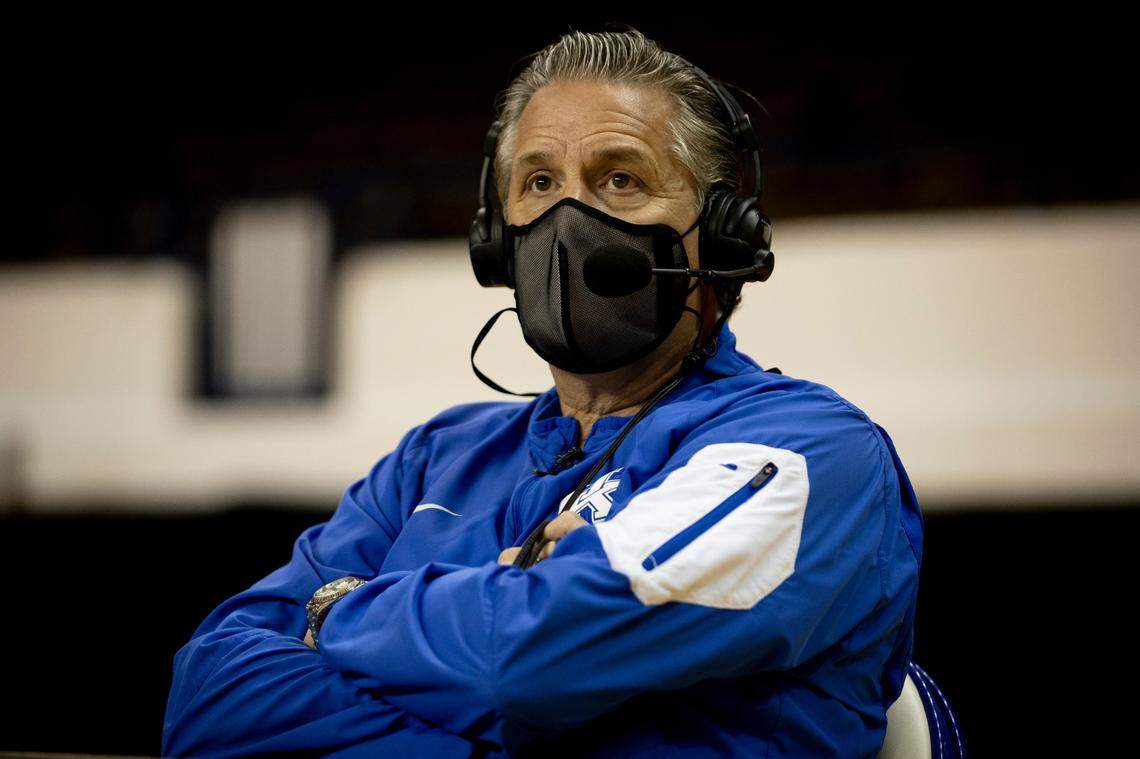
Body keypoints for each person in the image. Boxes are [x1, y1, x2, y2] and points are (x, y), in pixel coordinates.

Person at [163, 28, 923, 758]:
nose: (568, 220)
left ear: (723, 234)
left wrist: (335, 611)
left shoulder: (810, 451)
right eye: (539, 183)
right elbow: (209, 696)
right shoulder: (434, 459)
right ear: (497, 238)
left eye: (620, 179)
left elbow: (527, 655)